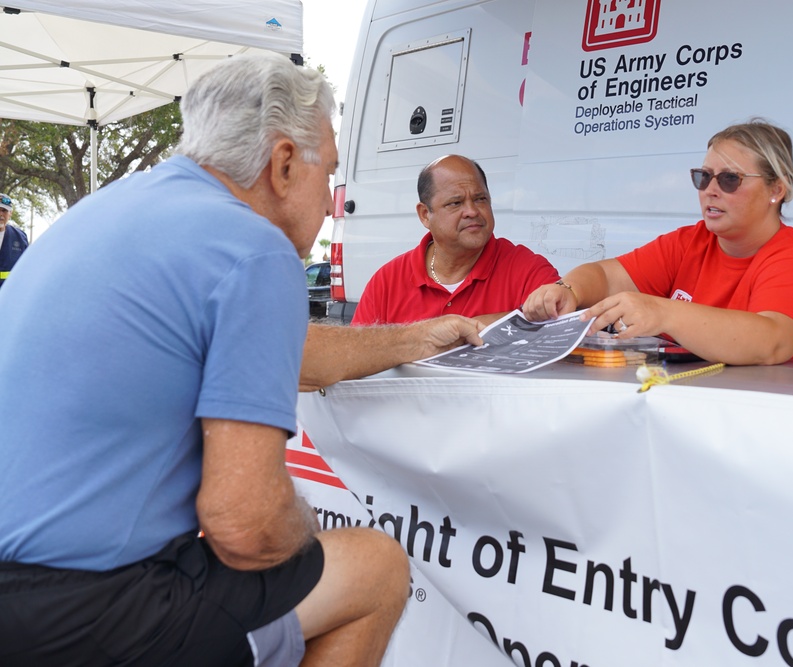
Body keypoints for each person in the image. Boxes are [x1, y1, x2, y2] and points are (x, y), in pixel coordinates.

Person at [0, 53, 482, 667]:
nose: (335, 206)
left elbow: (292, 352)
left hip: (24, 594)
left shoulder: (109, 212)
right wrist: (302, 521)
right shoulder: (254, 248)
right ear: (283, 164)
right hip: (87, 610)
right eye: (329, 174)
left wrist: (416, 338)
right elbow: (244, 526)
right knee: (375, 566)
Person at [522, 119, 793, 365]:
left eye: (730, 179)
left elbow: (771, 342)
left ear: (776, 190)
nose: (710, 190)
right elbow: (605, 276)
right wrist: (568, 290)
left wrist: (662, 313)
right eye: (703, 177)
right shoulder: (690, 242)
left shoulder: (792, 258)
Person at [351, 154, 559, 326]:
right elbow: (356, 355)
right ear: (425, 215)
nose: (471, 211)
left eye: (480, 199)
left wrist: (471, 328)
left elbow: (562, 327)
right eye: (455, 203)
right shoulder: (387, 282)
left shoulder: (527, 269)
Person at [0, 194, 28, 289]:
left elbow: (26, 268)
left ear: (10, 213)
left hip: (9, 295)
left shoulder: (20, 237)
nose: (1, 214)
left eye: (4, 210)